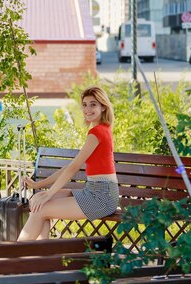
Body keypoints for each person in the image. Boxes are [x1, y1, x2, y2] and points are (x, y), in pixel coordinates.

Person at [18, 86, 119, 241]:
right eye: (84, 105)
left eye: (93, 104)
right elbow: (68, 167)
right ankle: (39, 257)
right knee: (37, 200)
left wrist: (49, 194)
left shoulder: (97, 132)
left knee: (41, 208)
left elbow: (73, 168)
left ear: (103, 106)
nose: (87, 109)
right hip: (94, 191)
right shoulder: (101, 129)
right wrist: (39, 187)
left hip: (102, 197)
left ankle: (15, 257)